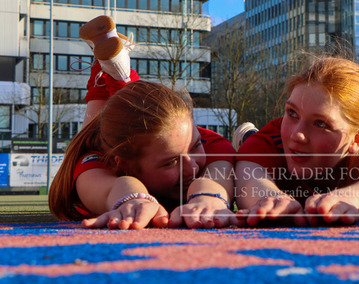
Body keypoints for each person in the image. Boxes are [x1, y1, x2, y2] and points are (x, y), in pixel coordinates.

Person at [49, 16, 237, 230]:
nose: (192, 167)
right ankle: (117, 72)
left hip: (182, 136)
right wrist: (133, 200)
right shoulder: (93, 163)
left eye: (195, 146)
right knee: (102, 118)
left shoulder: (211, 145)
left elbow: (215, 175)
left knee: (113, 113)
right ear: (123, 165)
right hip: (135, 143)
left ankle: (116, 71)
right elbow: (116, 186)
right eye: (171, 162)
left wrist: (209, 197)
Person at [234, 57, 359, 227]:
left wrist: (348, 198)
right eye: (292, 112)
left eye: (320, 123)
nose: (297, 135)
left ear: (358, 138)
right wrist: (272, 199)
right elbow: (248, 173)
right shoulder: (272, 138)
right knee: (249, 144)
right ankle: (248, 134)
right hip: (263, 147)